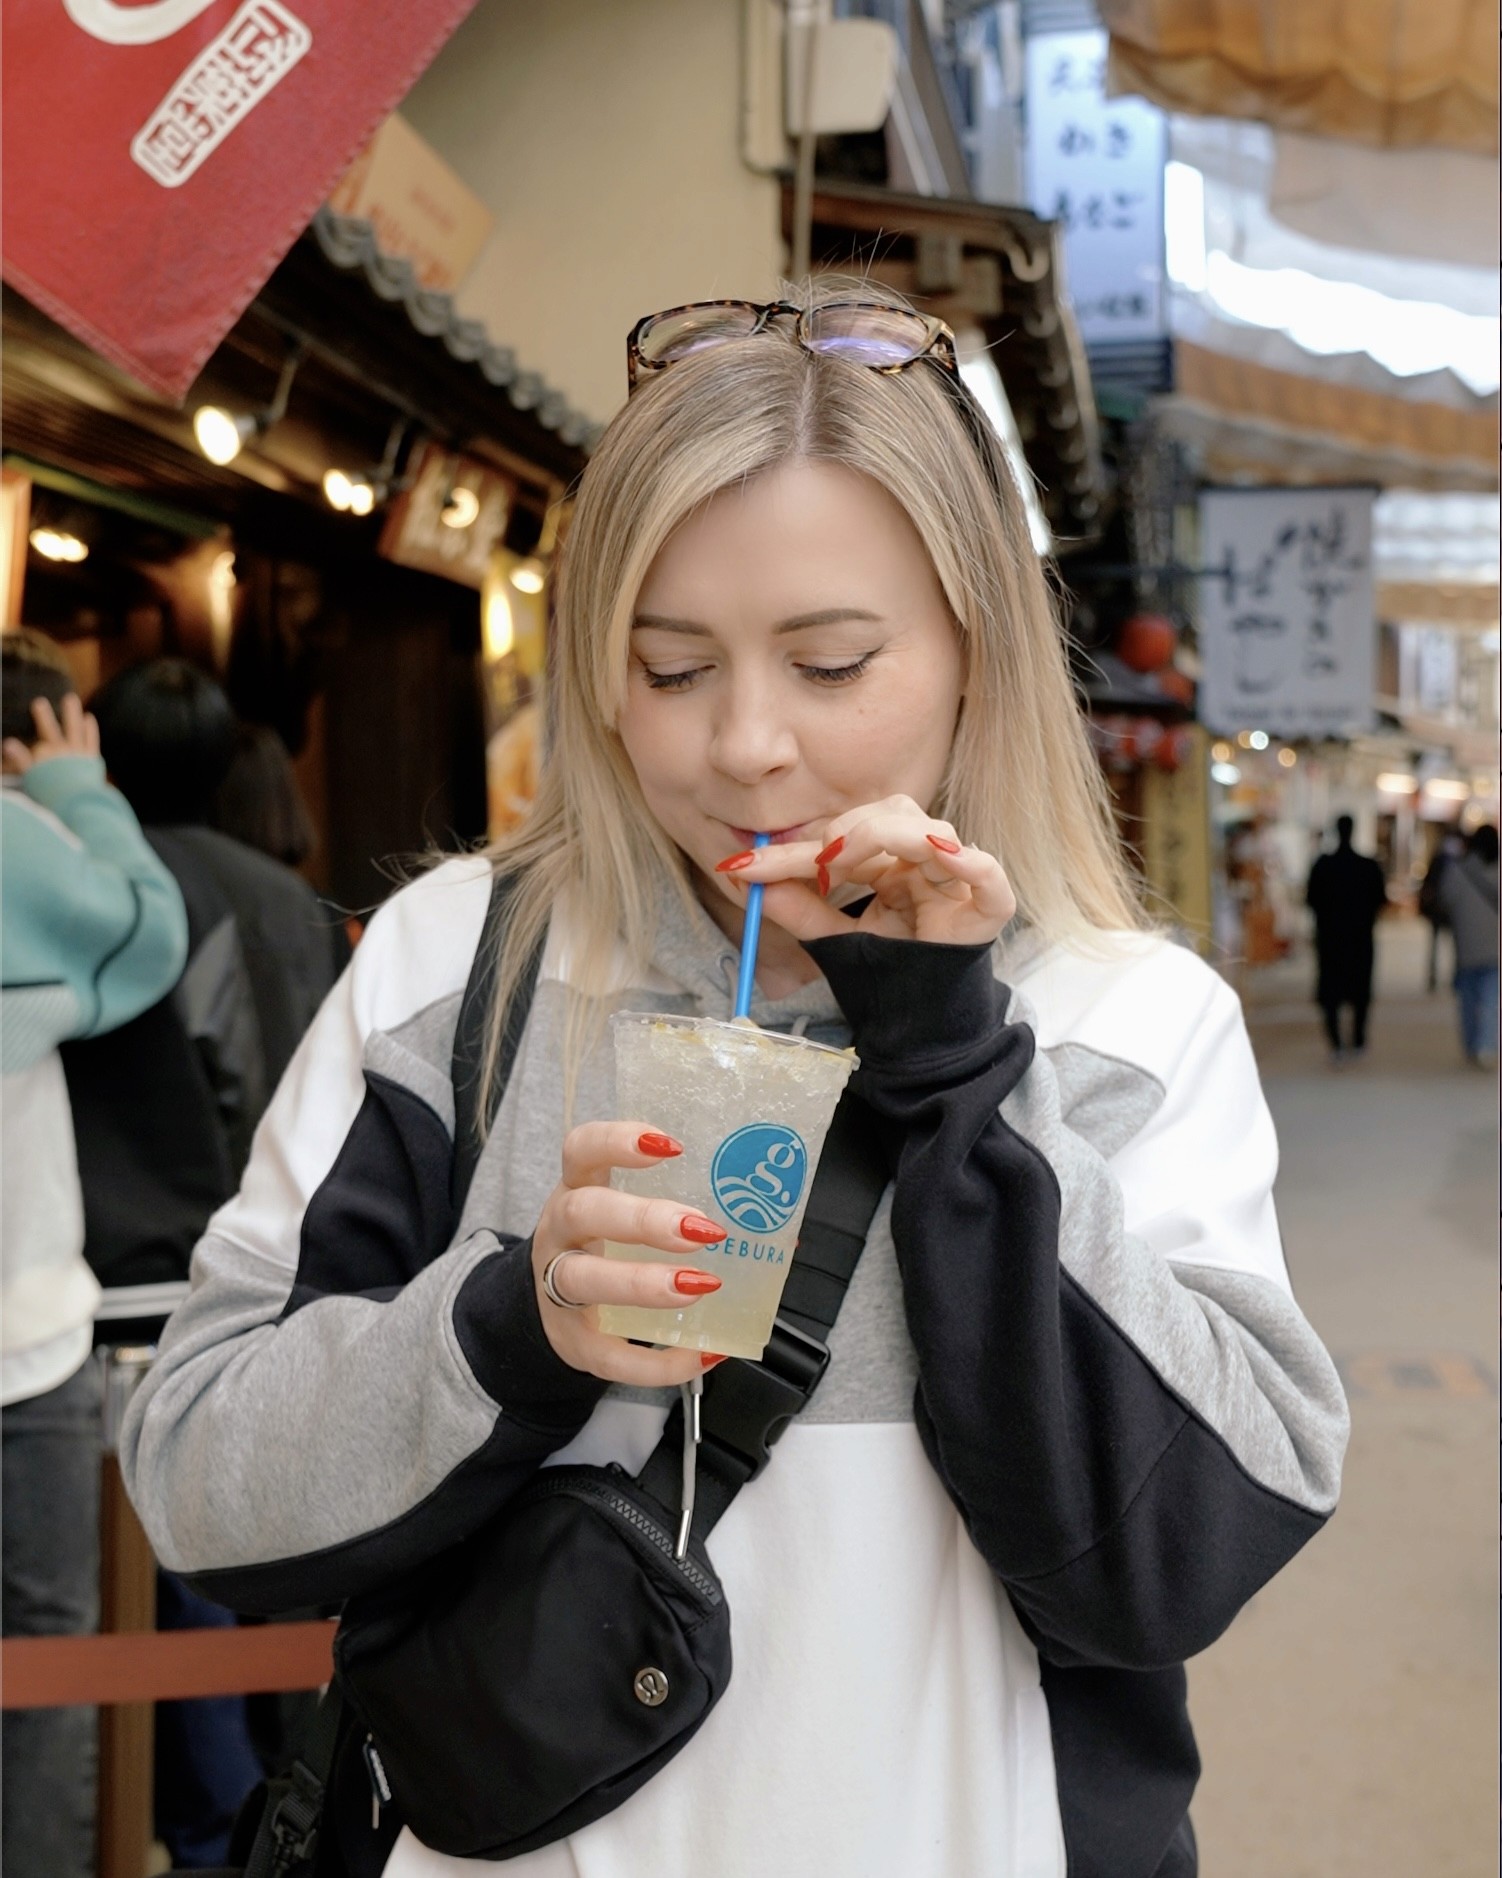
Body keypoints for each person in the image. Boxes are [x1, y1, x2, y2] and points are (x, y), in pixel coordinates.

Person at [121, 285, 1349, 1878]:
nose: (747, 745)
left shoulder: (1123, 1018)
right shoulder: (457, 968)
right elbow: (201, 1478)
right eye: (671, 665)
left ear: (976, 645)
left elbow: (1176, 1554)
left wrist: (953, 1058)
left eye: (832, 663)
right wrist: (517, 1324)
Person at [64, 659, 349, 1867]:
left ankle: (208, 1833)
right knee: (287, 1588)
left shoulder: (110, 897)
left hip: (158, 1288)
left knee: (160, 1605)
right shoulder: (291, 897)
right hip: (311, 1276)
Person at [1, 631, 188, 1878]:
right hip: (29, 1332)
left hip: (35, 1330)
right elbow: (143, 932)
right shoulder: (27, 841)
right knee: (50, 1656)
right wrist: (78, 789)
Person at [1305, 814, 1388, 1062]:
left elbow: (1310, 900)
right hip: (1360, 937)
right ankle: (1358, 1039)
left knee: (1331, 991)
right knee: (1360, 989)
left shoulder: (1322, 865)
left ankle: (1336, 1043)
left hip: (1330, 938)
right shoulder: (1367, 866)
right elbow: (1380, 900)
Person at [1437, 823, 1498, 1067]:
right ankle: (1486, 1044)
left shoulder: (1458, 870)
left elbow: (1446, 900)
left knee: (1468, 1000)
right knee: (1492, 999)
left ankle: (1472, 1044)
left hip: (1466, 945)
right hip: (1496, 946)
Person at [1418, 829, 1463, 994]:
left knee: (1445, 944)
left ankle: (1441, 975)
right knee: (1448, 944)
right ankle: (1437, 975)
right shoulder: (1453, 861)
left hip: (1444, 909)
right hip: (1443, 909)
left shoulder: (1448, 860)